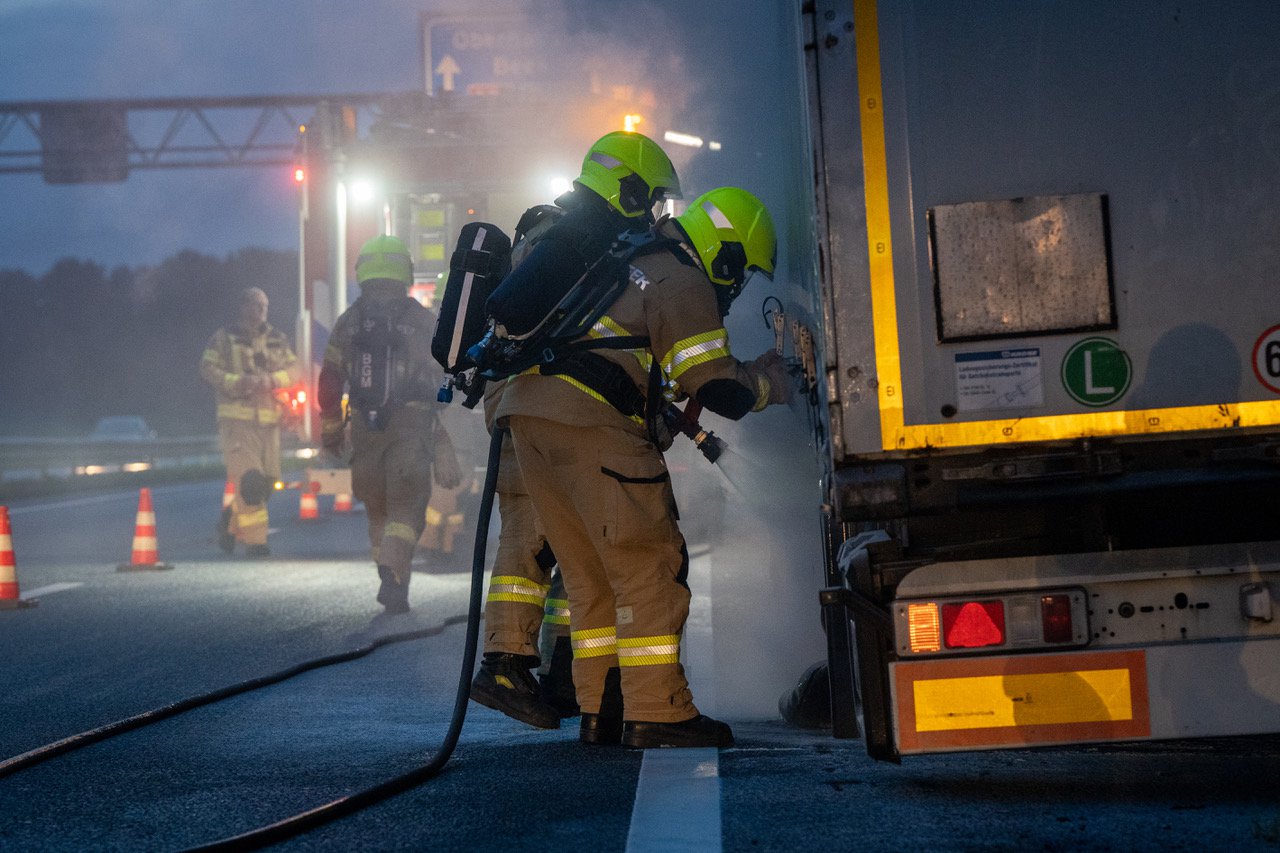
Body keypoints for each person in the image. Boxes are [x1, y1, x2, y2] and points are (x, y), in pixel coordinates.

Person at [496, 185, 792, 749]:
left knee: (591, 579)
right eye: (741, 270)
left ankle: (601, 711)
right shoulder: (679, 278)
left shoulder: (623, 259)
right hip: (591, 430)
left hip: (530, 420)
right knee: (649, 568)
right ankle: (659, 713)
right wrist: (766, 386)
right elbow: (715, 386)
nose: (734, 283)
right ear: (725, 251)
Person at [470, 130, 681, 731]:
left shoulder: (565, 238)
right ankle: (505, 662)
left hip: (527, 402)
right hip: (538, 405)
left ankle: (566, 673)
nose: (657, 211)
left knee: (566, 545)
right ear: (630, 186)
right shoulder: (575, 239)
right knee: (532, 533)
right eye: (653, 197)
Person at [317, 235, 463, 614]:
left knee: (378, 509)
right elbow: (445, 380)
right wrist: (445, 438)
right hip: (410, 429)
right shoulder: (420, 319)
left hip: (364, 431)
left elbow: (330, 380)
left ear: (362, 271)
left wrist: (331, 429)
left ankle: (393, 581)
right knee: (408, 508)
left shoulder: (349, 321)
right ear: (406, 272)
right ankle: (393, 571)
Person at [200, 286, 299, 557]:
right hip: (237, 423)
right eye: (255, 305)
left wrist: (271, 380)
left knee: (268, 482)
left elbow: (295, 369)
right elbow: (207, 369)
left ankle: (229, 523)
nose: (260, 311)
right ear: (242, 307)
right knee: (251, 482)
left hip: (269, 423)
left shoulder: (277, 339)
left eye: (264, 306)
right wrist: (236, 382)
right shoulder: (223, 338)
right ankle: (256, 542)